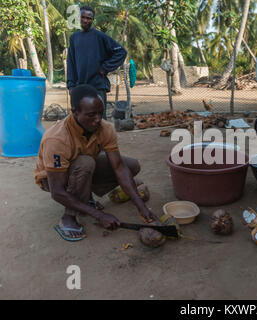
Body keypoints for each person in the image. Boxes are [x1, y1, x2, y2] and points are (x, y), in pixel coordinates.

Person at [34, 84, 161, 241]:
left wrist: (142, 208)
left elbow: (119, 167)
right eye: (91, 115)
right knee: (85, 163)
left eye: (101, 113)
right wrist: (99, 215)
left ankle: (85, 196)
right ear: (75, 112)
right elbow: (57, 191)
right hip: (54, 179)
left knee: (131, 165)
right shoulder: (57, 139)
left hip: (84, 168)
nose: (98, 119)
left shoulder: (105, 128)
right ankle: (68, 217)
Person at [67, 5, 127, 120]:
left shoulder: (100, 36)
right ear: (79, 17)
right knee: (81, 120)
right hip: (80, 87)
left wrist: (105, 68)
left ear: (92, 20)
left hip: (97, 86)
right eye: (83, 17)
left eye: (89, 18)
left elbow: (121, 52)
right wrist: (70, 85)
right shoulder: (74, 38)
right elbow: (71, 63)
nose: (85, 20)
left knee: (99, 120)